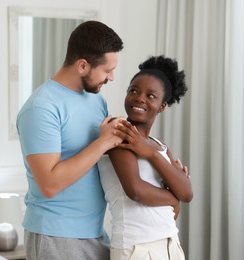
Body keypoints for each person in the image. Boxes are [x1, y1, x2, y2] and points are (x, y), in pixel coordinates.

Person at [16, 20, 124, 260]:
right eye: (107, 70)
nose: (112, 77)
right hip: (55, 235)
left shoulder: (97, 100)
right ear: (83, 65)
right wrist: (102, 142)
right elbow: (50, 184)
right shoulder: (41, 108)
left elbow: (100, 159)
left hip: (95, 230)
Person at [98, 55, 193, 260]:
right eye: (133, 90)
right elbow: (136, 191)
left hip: (170, 245)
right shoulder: (118, 134)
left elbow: (187, 194)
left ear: (162, 105)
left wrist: (149, 151)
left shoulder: (159, 147)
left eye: (151, 95)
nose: (140, 98)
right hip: (136, 248)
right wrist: (173, 196)